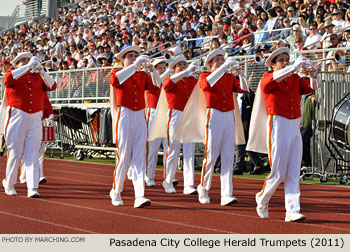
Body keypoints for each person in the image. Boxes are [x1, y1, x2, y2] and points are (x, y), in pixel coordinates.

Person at [248, 47, 319, 222]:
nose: (285, 62)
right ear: (272, 64)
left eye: (287, 59)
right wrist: (294, 66)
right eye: (281, 60)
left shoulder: (294, 77)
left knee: (294, 170)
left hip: (294, 124)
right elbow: (268, 85)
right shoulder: (267, 77)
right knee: (278, 171)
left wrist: (313, 74)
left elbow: (311, 88)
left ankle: (292, 210)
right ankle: (262, 198)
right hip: (277, 123)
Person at [0, 52, 57, 198]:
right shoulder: (12, 73)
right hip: (17, 115)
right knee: (15, 152)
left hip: (35, 117)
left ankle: (32, 187)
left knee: (33, 152)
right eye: (23, 60)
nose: (27, 62)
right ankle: (10, 183)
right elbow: (8, 80)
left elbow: (53, 86)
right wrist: (27, 67)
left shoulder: (38, 76)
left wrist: (42, 71)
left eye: (29, 59)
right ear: (16, 64)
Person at [109, 45, 159, 208]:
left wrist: (152, 71)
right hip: (125, 114)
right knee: (123, 156)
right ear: (123, 59)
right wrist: (134, 65)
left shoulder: (142, 75)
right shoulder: (117, 73)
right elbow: (115, 82)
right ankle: (116, 191)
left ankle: (140, 195)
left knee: (139, 156)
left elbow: (157, 87)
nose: (133, 58)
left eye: (135, 55)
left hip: (139, 115)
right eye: (129, 56)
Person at [196, 49, 248, 205]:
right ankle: (204, 188)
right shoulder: (205, 76)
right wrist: (224, 67)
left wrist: (242, 73)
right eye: (216, 59)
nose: (219, 61)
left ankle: (227, 193)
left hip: (228, 115)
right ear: (210, 63)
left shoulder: (229, 77)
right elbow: (206, 84)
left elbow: (244, 89)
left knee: (228, 156)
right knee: (211, 155)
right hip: (214, 114)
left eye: (221, 59)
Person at [161, 54, 198, 195]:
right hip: (175, 114)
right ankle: (168, 180)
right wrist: (186, 72)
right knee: (173, 148)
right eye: (180, 65)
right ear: (174, 68)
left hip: (189, 115)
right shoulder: (169, 78)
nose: (183, 66)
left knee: (189, 150)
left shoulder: (192, 80)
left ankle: (189, 184)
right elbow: (167, 85)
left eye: (184, 64)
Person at [19, 92, 59, 184]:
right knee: (26, 154)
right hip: (27, 129)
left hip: (40, 129)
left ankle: (40, 175)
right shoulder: (27, 100)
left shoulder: (43, 101)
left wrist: (51, 116)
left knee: (40, 154)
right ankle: (23, 175)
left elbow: (47, 113)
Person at [145, 57, 172, 187]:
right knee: (152, 148)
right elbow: (157, 82)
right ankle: (149, 175)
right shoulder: (150, 80)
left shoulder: (168, 79)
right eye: (159, 68)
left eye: (164, 67)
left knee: (168, 147)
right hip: (154, 114)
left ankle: (168, 177)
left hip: (166, 113)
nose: (163, 70)